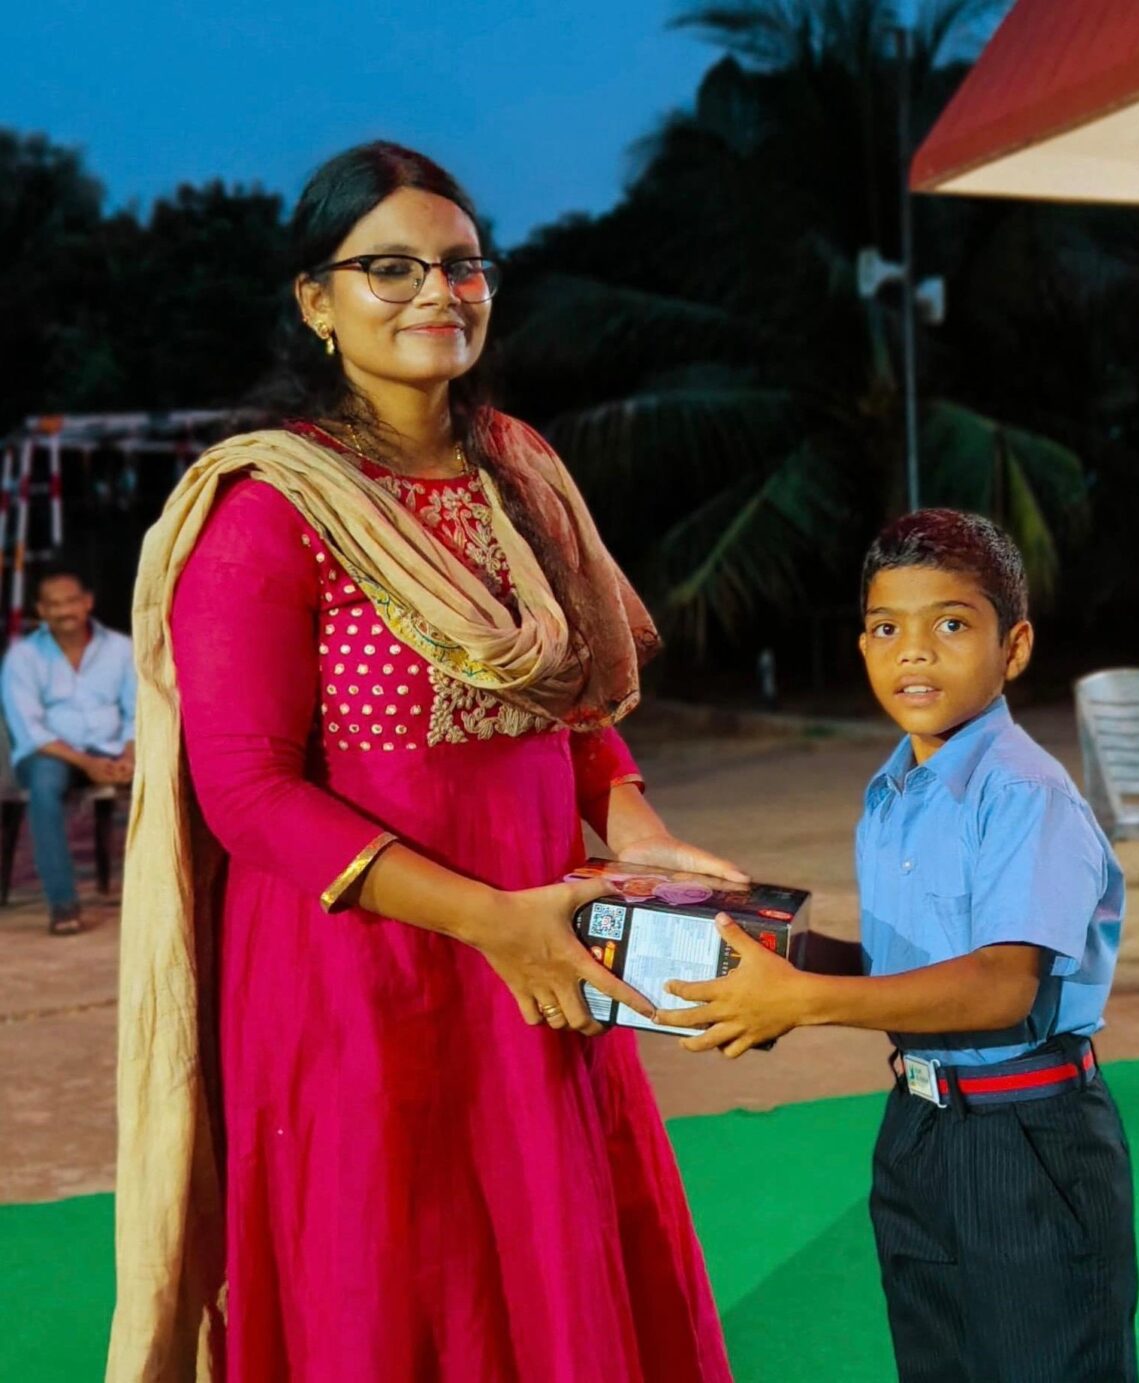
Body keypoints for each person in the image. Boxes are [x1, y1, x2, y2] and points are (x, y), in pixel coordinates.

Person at [107, 142, 738, 1383]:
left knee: (555, 1253)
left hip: (540, 944)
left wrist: (638, 829)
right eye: (388, 268)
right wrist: (488, 920)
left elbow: (568, 701)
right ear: (315, 301)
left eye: (460, 266)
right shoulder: (270, 505)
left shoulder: (521, 468)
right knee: (392, 1278)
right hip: (362, 974)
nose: (436, 294)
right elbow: (247, 791)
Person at [658, 510, 1138, 1381]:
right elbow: (906, 971)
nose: (914, 651)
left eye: (951, 624)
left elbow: (1000, 988)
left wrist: (806, 1001)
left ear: (1015, 647)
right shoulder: (894, 792)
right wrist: (783, 961)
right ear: (864, 647)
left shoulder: (1024, 791)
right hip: (919, 1126)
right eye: (888, 628)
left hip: (1028, 1134)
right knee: (938, 1360)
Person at [0, 567, 135, 934]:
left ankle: (168, 898)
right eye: (54, 605)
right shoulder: (23, 659)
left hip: (111, 748)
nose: (65, 611)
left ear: (87, 602)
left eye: (72, 601)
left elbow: (137, 712)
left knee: (172, 778)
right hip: (50, 754)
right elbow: (31, 730)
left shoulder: (121, 650)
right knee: (45, 786)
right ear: (41, 611)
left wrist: (129, 756)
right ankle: (63, 905)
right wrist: (87, 763)